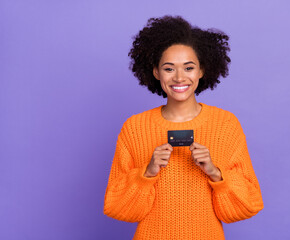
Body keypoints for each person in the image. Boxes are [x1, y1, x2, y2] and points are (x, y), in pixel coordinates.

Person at [103, 15, 264, 240]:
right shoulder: (134, 127)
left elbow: (249, 204)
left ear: (201, 71)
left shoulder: (226, 124)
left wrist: (215, 173)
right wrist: (147, 173)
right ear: (156, 72)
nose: (179, 77)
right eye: (169, 69)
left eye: (189, 68)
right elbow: (117, 207)